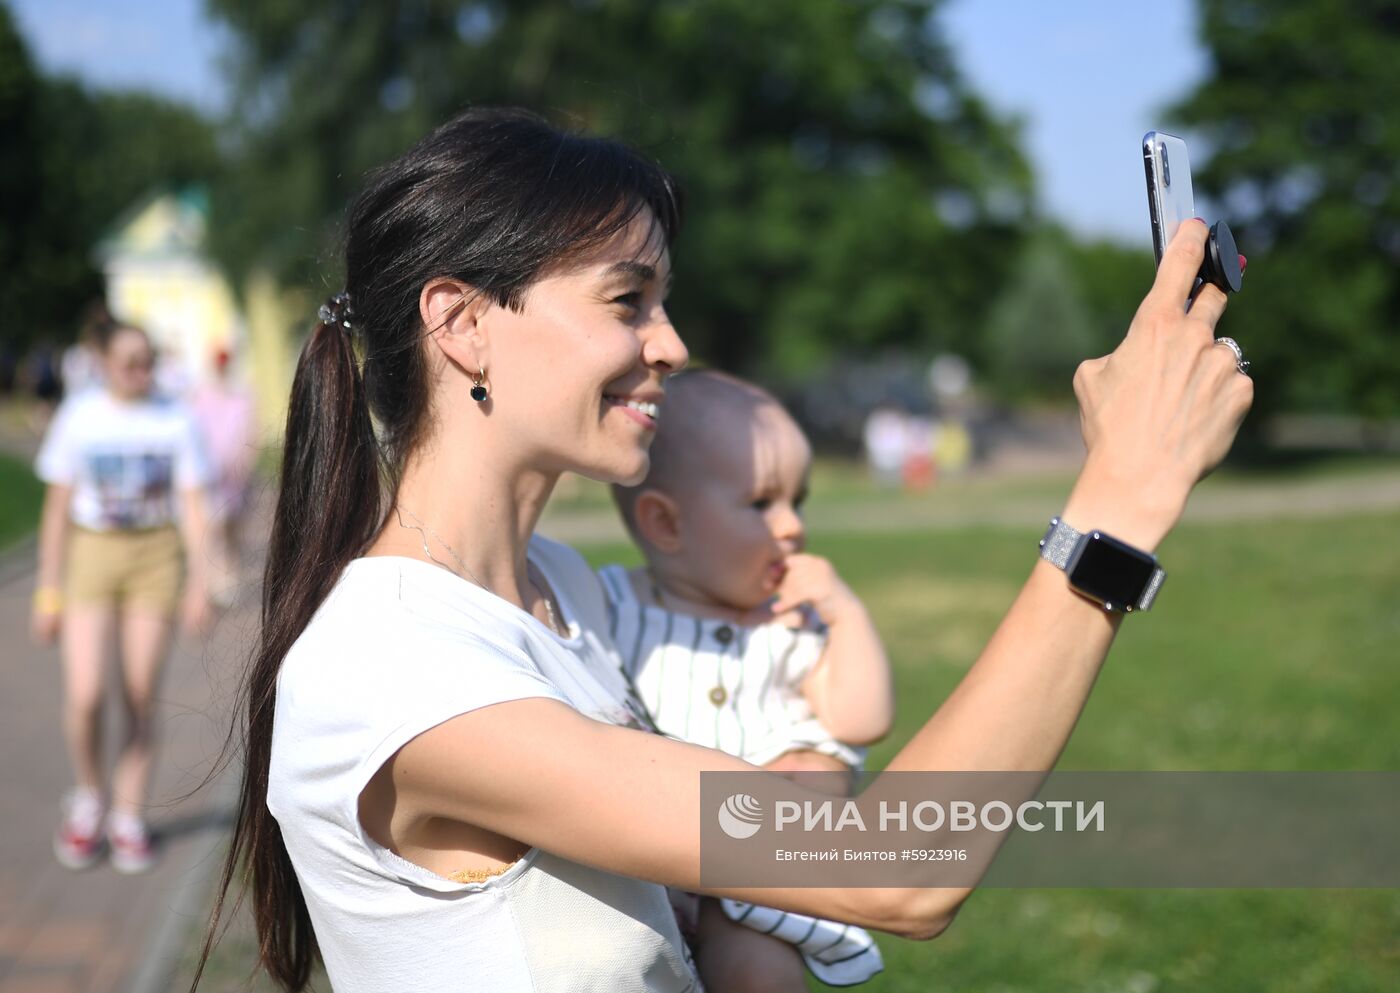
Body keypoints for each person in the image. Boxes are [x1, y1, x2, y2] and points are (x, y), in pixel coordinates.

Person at [195, 108, 1252, 993]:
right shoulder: (388, 666)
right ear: (463, 324)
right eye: (627, 300)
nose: (672, 344)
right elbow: (896, 868)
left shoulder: (564, 591)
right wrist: (1119, 499)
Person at [601, 369, 895, 989]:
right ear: (666, 524)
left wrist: (846, 615)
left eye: (797, 501)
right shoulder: (609, 605)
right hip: (639, 866)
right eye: (763, 504)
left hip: (756, 894)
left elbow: (861, 720)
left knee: (760, 973)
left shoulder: (794, 622)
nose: (792, 526)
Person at [31, 319, 213, 874]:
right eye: (130, 360)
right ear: (104, 362)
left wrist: (200, 582)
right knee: (86, 692)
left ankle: (129, 814)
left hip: (155, 557)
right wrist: (47, 589)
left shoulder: (175, 417)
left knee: (139, 695)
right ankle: (90, 796)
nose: (141, 370)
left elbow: (193, 506)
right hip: (92, 553)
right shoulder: (80, 415)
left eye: (147, 359)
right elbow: (57, 508)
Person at [191, 346, 258, 605]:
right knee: (213, 526)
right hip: (210, 472)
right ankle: (216, 577)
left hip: (235, 474)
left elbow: (249, 430)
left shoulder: (241, 394)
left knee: (233, 526)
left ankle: (230, 573)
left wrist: (245, 461)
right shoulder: (201, 396)